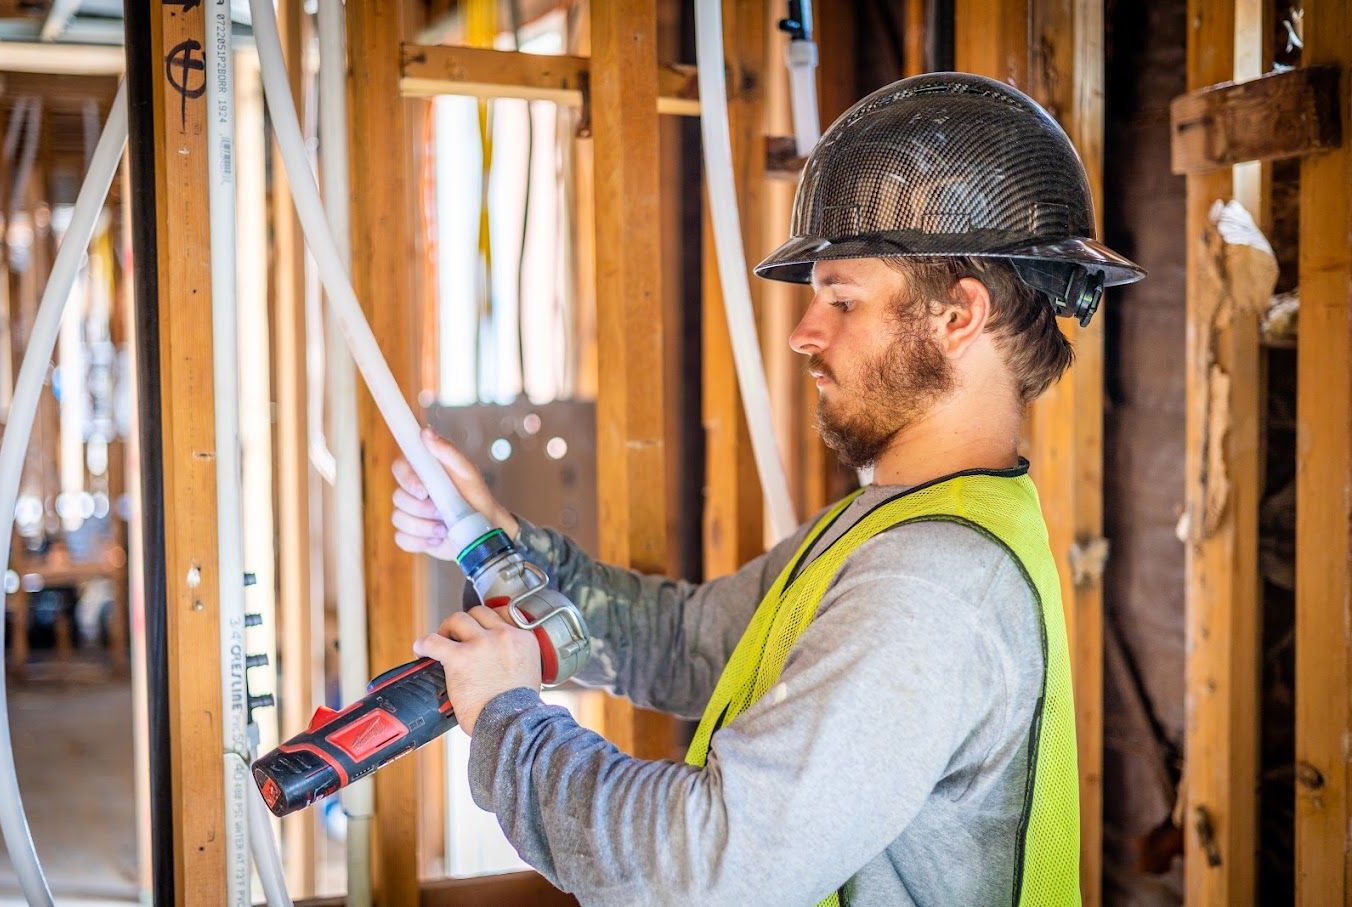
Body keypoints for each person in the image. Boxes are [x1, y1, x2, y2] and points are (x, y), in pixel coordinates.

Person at [390, 72, 1144, 907]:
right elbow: (686, 643)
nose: (803, 333)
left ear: (956, 316)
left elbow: (706, 870)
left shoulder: (930, 585)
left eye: (842, 300)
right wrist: (496, 539)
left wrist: (509, 719)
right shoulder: (903, 525)